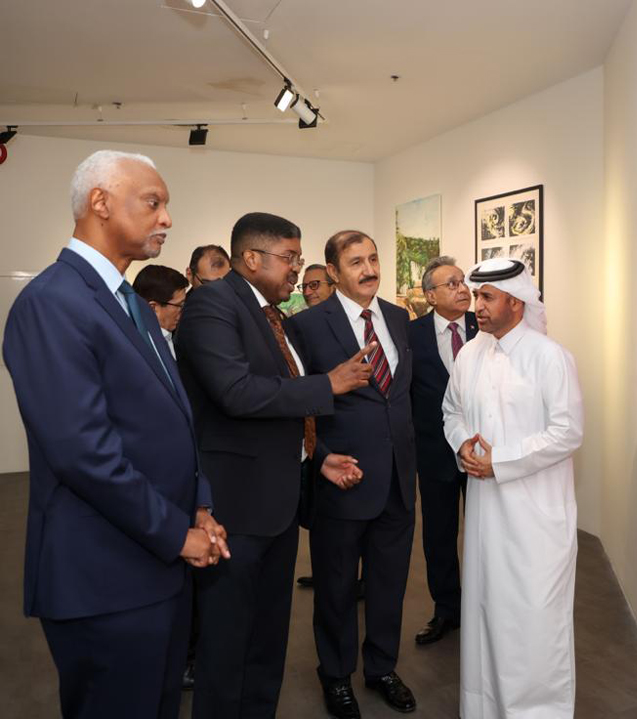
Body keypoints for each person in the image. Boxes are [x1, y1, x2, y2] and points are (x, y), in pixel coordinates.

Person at [2, 149, 229, 719]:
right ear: (100, 203)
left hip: (157, 568)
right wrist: (177, 534)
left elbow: (175, 418)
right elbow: (85, 455)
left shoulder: (130, 302)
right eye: (153, 203)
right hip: (104, 579)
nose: (167, 219)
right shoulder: (52, 302)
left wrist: (199, 505)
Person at [175, 213, 371, 719]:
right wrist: (328, 384)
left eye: (299, 258)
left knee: (266, 642)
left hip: (279, 505)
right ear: (252, 258)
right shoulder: (212, 304)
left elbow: (283, 412)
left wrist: (319, 457)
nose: (296, 269)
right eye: (290, 257)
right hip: (235, 512)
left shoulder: (271, 315)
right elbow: (236, 393)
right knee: (228, 646)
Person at [442, 257, 584, 719]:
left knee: (534, 618)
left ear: (516, 303)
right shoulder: (469, 354)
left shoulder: (550, 357)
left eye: (486, 297)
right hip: (486, 514)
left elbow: (567, 432)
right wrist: (463, 442)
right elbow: (452, 410)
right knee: (486, 610)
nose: (475, 305)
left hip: (536, 515)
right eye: (475, 295)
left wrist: (497, 461)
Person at [285, 230, 417, 718]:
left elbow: (401, 397)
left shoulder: (400, 318)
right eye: (356, 261)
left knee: (389, 585)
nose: (369, 268)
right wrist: (321, 460)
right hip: (342, 479)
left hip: (399, 480)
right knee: (337, 589)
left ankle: (382, 667)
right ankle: (335, 675)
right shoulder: (307, 326)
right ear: (334, 272)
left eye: (374, 258)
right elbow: (296, 405)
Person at [407, 256, 477, 645]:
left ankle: (488, 606)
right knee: (439, 535)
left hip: (482, 452)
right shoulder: (410, 334)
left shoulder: (483, 327)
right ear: (430, 295)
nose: (462, 289)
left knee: (486, 532)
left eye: (463, 281)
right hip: (434, 452)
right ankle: (447, 610)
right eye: (451, 284)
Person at [133, 264, 188, 359]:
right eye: (179, 305)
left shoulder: (174, 336)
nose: (182, 310)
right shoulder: (140, 350)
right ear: (153, 308)